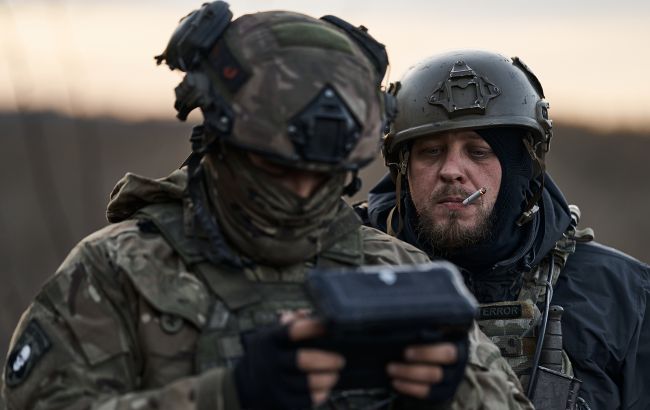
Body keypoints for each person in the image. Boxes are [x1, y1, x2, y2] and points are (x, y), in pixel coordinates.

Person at [1, 6, 533, 410]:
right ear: (219, 144)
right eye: (277, 170)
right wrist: (227, 395)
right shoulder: (117, 272)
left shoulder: (397, 272)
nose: (300, 193)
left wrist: (455, 391)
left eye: (322, 177)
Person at [357, 49, 650, 409]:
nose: (451, 170)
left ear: (520, 169)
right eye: (431, 151)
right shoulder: (347, 273)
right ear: (403, 169)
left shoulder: (625, 297)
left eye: (478, 151)